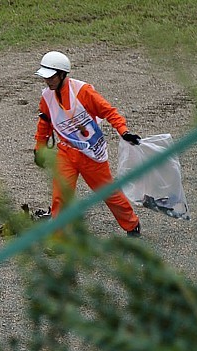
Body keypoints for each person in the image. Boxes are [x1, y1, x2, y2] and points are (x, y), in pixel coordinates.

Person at [34, 51, 142, 237]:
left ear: (62, 74)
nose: (47, 81)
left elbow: (109, 111)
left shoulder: (83, 92)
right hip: (66, 152)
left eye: (51, 77)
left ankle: (132, 224)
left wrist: (123, 131)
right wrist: (39, 147)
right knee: (61, 196)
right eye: (45, 77)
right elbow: (45, 121)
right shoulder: (47, 96)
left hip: (91, 153)